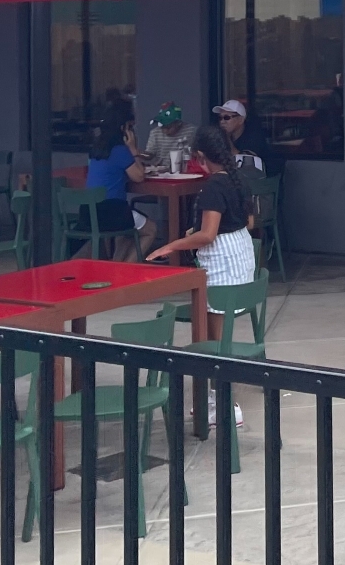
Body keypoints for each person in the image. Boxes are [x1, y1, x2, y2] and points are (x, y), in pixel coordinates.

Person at [148, 126, 254, 424]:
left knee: (214, 340)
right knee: (214, 334)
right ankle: (213, 399)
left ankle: (226, 404)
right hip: (240, 256)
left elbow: (207, 235)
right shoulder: (238, 179)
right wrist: (195, 232)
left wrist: (171, 245)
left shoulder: (213, 188)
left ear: (200, 156)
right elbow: (248, 221)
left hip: (221, 264)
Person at [85, 117, 156, 259]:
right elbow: (139, 176)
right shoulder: (120, 150)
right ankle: (128, 267)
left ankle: (117, 266)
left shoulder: (97, 150)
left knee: (127, 228)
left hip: (90, 212)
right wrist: (133, 150)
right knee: (150, 230)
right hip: (111, 212)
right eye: (130, 128)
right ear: (124, 129)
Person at [141, 101, 196, 172]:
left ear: (178, 123)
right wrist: (138, 153)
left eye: (168, 127)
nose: (164, 130)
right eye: (162, 126)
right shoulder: (155, 133)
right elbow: (150, 154)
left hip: (185, 170)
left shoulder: (191, 131)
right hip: (160, 171)